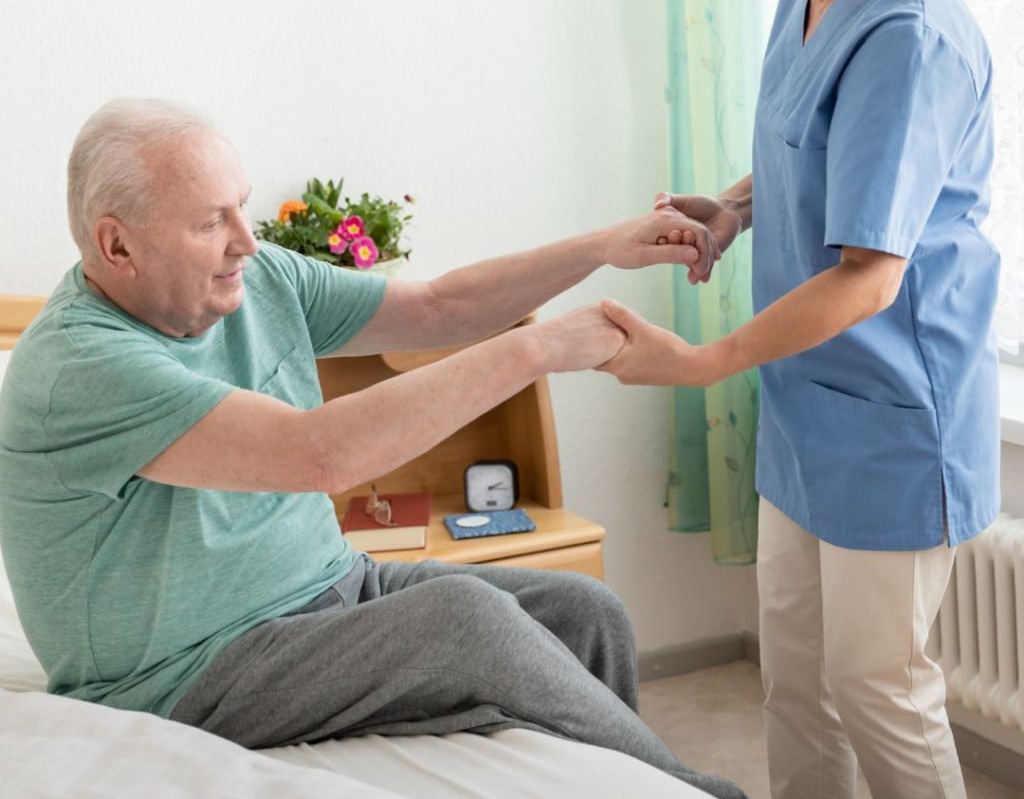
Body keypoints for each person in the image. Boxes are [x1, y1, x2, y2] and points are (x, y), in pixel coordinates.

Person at [0, 98, 745, 798]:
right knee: (464, 620)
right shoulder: (78, 368)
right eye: (209, 224)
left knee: (588, 611)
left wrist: (606, 245)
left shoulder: (254, 280)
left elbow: (438, 305)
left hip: (328, 591)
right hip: (184, 671)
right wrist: (540, 348)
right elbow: (317, 455)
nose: (247, 242)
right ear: (116, 244)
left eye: (242, 207)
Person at [599, 0, 998, 797]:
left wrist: (700, 362)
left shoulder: (906, 34)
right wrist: (735, 209)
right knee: (797, 679)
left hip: (891, 417)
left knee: (878, 686)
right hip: (800, 404)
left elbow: (868, 276)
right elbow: (807, 151)